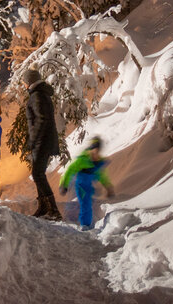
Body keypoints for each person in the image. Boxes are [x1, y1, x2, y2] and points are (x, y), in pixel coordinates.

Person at [23, 68, 62, 220]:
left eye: (24, 82)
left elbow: (41, 119)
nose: (24, 84)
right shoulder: (39, 94)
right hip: (42, 140)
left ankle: (53, 210)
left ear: (29, 82)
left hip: (42, 141)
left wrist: (34, 139)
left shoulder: (37, 95)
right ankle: (44, 207)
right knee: (38, 173)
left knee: (37, 174)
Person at [59, 136, 114, 230]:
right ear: (90, 149)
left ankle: (86, 224)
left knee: (88, 205)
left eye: (97, 150)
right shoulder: (82, 160)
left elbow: (101, 176)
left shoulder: (97, 163)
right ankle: (85, 225)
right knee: (86, 205)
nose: (95, 153)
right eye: (93, 150)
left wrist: (108, 187)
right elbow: (70, 171)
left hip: (89, 188)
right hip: (81, 186)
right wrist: (64, 184)